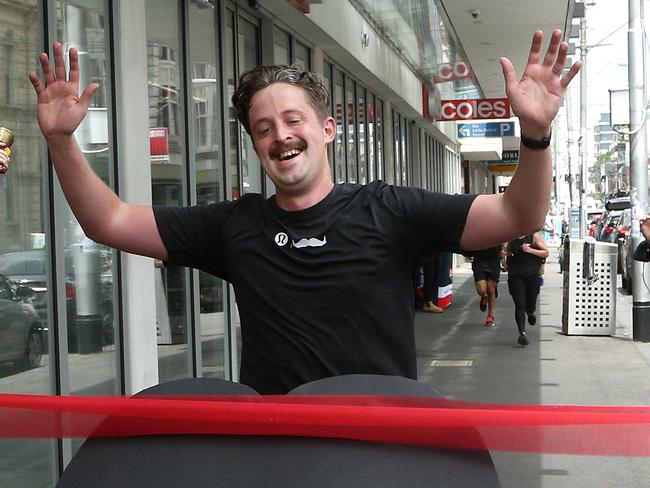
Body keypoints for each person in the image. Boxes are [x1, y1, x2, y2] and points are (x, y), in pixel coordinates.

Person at [28, 31, 580, 394]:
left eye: (293, 121)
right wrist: (60, 143)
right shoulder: (234, 225)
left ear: (327, 130)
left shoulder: (390, 210)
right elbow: (110, 222)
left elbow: (517, 213)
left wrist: (534, 136)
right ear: (255, 144)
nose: (280, 137)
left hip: (381, 448)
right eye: (263, 129)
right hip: (278, 453)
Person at [505, 232, 549, 346]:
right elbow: (507, 250)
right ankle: (522, 334)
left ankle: (530, 312)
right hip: (515, 274)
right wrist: (506, 253)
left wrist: (530, 250)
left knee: (530, 303)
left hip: (531, 274)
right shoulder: (511, 236)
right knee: (519, 304)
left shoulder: (533, 236)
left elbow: (545, 252)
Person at [467, 246, 503, 327]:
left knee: (491, 289)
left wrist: (504, 248)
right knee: (482, 290)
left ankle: (490, 316)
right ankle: (484, 296)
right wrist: (468, 252)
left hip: (493, 259)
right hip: (479, 259)